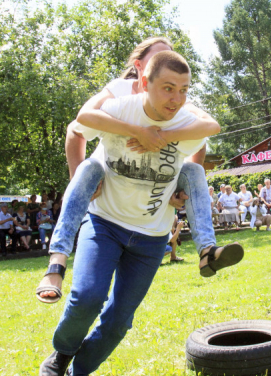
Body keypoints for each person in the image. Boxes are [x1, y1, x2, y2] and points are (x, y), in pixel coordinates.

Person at [38, 51, 243, 376]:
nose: (176, 99)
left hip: (150, 236)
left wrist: (164, 141)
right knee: (87, 296)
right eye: (167, 88)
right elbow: (80, 122)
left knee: (120, 320)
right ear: (143, 83)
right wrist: (137, 131)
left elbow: (211, 128)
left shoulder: (183, 120)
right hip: (105, 223)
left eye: (183, 90)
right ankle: (62, 350)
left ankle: (81, 371)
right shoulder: (121, 108)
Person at [37, 37, 240, 304]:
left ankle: (207, 251)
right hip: (111, 186)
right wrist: (80, 184)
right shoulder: (120, 92)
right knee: (88, 170)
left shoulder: (173, 97)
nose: (167, 63)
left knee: (193, 171)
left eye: (172, 58)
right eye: (159, 58)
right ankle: (57, 262)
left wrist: (178, 176)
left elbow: (203, 133)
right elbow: (78, 125)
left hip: (150, 215)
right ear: (141, 68)